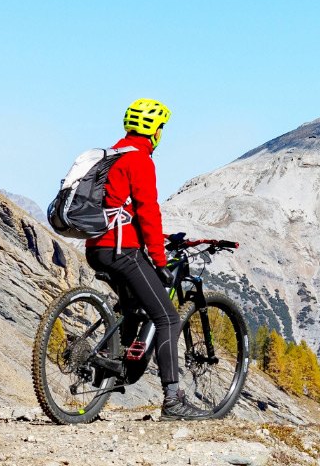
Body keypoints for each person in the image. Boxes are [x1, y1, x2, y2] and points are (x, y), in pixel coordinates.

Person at [84, 98, 209, 420]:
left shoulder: (111, 155)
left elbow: (117, 208)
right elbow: (147, 212)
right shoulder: (139, 160)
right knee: (167, 317)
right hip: (120, 249)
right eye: (162, 128)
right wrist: (159, 260)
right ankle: (172, 400)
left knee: (135, 309)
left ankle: (117, 362)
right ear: (155, 131)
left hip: (97, 248)